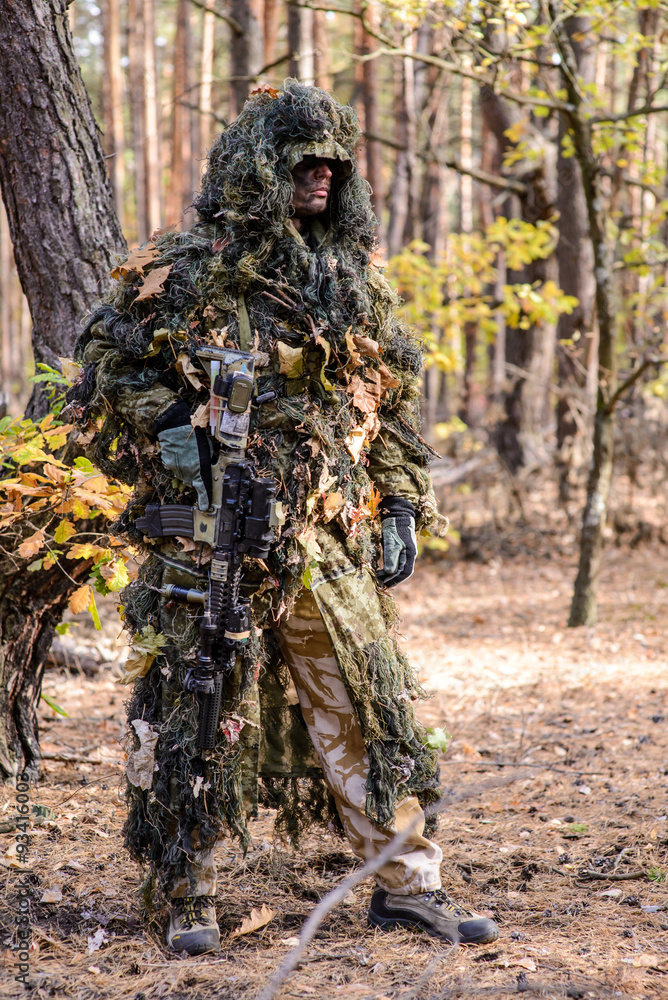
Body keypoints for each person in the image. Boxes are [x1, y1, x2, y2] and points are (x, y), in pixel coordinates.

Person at [68, 81, 499, 955]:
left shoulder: (348, 283)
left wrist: (403, 503)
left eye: (335, 164)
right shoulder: (187, 269)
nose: (323, 178)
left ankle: (408, 885)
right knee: (193, 710)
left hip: (322, 529)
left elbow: (386, 401)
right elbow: (108, 361)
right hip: (209, 534)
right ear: (260, 169)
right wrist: (172, 437)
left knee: (366, 706)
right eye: (304, 161)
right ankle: (182, 891)